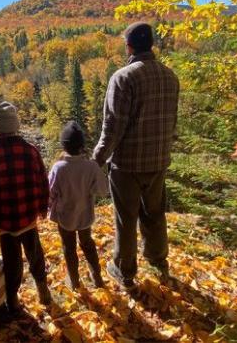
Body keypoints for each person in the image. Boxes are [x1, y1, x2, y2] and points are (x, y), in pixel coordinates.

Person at [93, 22, 179, 291]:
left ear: (128, 45)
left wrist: (97, 159)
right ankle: (157, 259)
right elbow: (172, 121)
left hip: (127, 164)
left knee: (126, 219)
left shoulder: (123, 78)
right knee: (154, 213)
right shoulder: (170, 76)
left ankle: (124, 271)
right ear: (150, 43)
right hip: (158, 160)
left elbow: (112, 127)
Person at [0, 101, 52, 313]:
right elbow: (43, 181)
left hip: (5, 221)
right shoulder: (31, 151)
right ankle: (43, 290)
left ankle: (12, 300)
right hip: (28, 218)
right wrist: (43, 207)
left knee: (12, 262)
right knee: (35, 254)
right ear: (16, 126)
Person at [48, 121, 108, 289]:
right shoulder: (91, 167)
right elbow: (103, 190)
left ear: (63, 146)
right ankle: (97, 278)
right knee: (87, 244)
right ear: (82, 146)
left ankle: (74, 281)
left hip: (64, 217)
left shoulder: (58, 168)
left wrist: (47, 208)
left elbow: (50, 194)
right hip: (85, 215)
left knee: (69, 246)